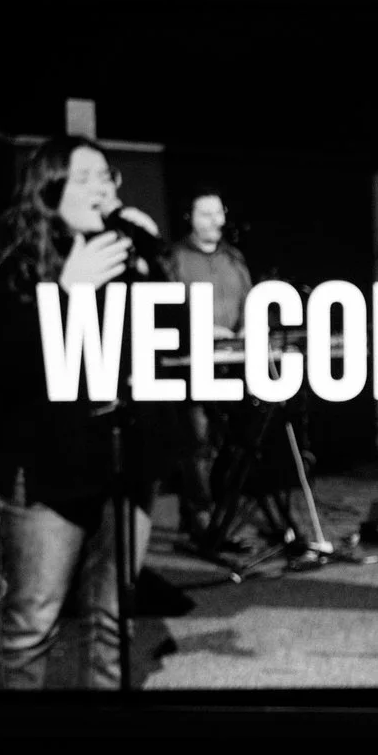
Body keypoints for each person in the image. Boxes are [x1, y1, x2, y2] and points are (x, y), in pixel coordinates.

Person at [0, 136, 169, 690]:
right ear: (49, 191)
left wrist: (154, 262)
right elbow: (8, 369)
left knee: (113, 623)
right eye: (85, 178)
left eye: (107, 177)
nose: (101, 188)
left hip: (123, 465)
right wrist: (64, 294)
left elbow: (167, 341)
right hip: (47, 474)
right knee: (32, 625)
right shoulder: (14, 270)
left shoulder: (124, 255)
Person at [160, 187, 252, 554]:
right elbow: (166, 309)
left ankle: (211, 515)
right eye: (205, 214)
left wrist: (247, 328)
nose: (215, 220)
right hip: (192, 363)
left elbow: (249, 301)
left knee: (229, 443)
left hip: (231, 363)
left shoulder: (234, 258)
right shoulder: (175, 259)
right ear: (190, 219)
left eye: (218, 212)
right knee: (196, 443)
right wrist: (203, 329)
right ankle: (201, 519)